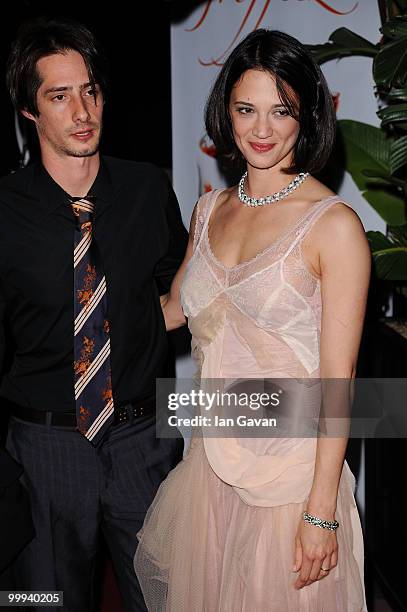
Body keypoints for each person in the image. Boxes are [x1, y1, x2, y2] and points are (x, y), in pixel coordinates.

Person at [134, 29, 370, 610]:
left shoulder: (332, 226)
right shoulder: (209, 209)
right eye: (246, 109)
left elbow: (339, 386)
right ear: (226, 112)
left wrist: (321, 512)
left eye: (280, 110)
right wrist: (81, 296)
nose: (261, 129)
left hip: (291, 481)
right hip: (211, 468)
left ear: (308, 115)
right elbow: (173, 312)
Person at [0, 16, 187, 612]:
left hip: (141, 441)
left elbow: (180, 296)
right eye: (59, 96)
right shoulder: (4, 210)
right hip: (43, 448)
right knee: (40, 603)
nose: (82, 111)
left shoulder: (146, 190)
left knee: (163, 596)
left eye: (90, 91)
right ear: (31, 111)